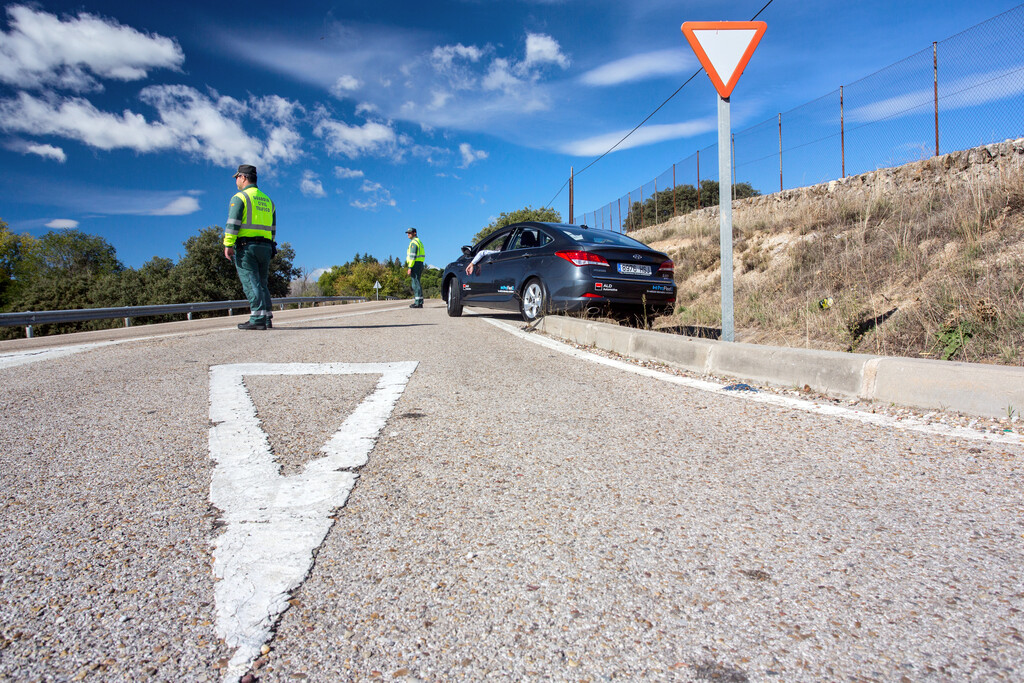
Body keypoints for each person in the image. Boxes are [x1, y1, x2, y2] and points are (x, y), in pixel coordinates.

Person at [224, 164, 276, 330]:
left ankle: (257, 318)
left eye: (237, 177)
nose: (236, 181)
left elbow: (233, 223)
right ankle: (266, 317)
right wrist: (271, 244)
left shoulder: (240, 198)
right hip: (266, 247)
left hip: (247, 247)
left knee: (251, 282)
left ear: (243, 177)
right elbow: (273, 228)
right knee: (262, 283)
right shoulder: (268, 201)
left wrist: (228, 244)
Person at [405, 227, 425, 308]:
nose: (408, 234)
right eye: (408, 233)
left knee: (415, 283)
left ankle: (418, 302)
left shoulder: (414, 243)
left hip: (415, 264)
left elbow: (412, 256)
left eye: (410, 233)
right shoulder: (418, 241)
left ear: (414, 233)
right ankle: (419, 301)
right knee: (417, 282)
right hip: (419, 263)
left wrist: (410, 267)